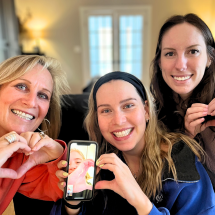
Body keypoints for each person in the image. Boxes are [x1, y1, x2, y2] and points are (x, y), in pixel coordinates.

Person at [51, 71, 215, 215]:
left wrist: (139, 200)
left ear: (146, 110)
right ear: (97, 119)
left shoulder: (181, 161)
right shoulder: (98, 163)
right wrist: (72, 203)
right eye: (106, 110)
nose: (118, 120)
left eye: (128, 105)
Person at [150, 13, 215, 187]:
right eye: (170, 53)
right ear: (159, 62)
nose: (180, 65)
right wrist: (187, 139)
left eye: (193, 51)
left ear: (210, 57)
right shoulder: (151, 116)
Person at [0, 55, 70, 214]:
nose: (32, 102)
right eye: (21, 86)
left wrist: (59, 157)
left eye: (43, 95)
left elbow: (56, 189)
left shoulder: (22, 155)